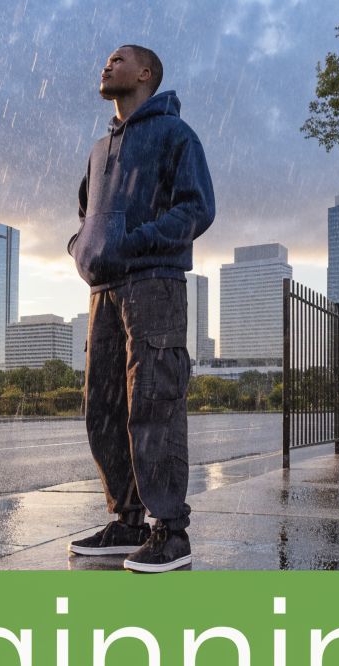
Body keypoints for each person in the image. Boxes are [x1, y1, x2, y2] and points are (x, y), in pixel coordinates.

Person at [66, 45, 215, 573]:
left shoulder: (177, 135)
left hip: (154, 283)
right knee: (102, 408)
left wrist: (136, 241)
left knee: (154, 403)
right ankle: (126, 521)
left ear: (145, 73)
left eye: (118, 59)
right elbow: (86, 216)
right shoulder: (98, 149)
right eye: (104, 60)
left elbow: (198, 207)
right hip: (104, 292)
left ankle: (170, 532)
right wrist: (81, 251)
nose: (106, 65)